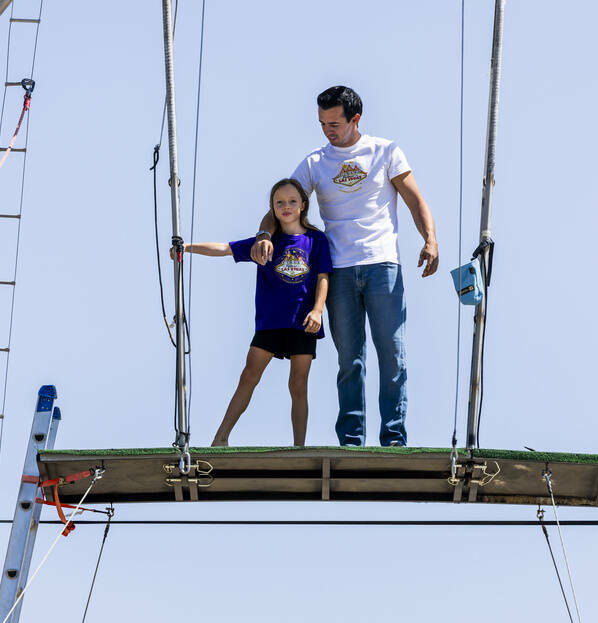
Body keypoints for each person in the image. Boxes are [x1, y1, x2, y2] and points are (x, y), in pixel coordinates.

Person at [251, 86, 438, 447]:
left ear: (355, 119)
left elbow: (416, 200)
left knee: (392, 354)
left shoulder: (385, 151)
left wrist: (430, 239)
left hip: (383, 265)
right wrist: (264, 234)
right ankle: (351, 440)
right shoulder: (314, 163)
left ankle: (394, 439)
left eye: (334, 123)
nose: (328, 130)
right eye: (322, 123)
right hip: (337, 271)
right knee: (350, 360)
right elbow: (283, 203)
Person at [173, 178, 333, 447]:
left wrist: (318, 311)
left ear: (303, 205)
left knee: (298, 384)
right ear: (271, 207)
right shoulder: (264, 244)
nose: (286, 206)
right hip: (270, 322)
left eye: (292, 201)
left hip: (303, 323)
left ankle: (299, 448)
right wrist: (187, 248)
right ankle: (220, 438)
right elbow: (225, 248)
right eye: (279, 202)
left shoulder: (316, 240)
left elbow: (323, 277)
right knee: (249, 375)